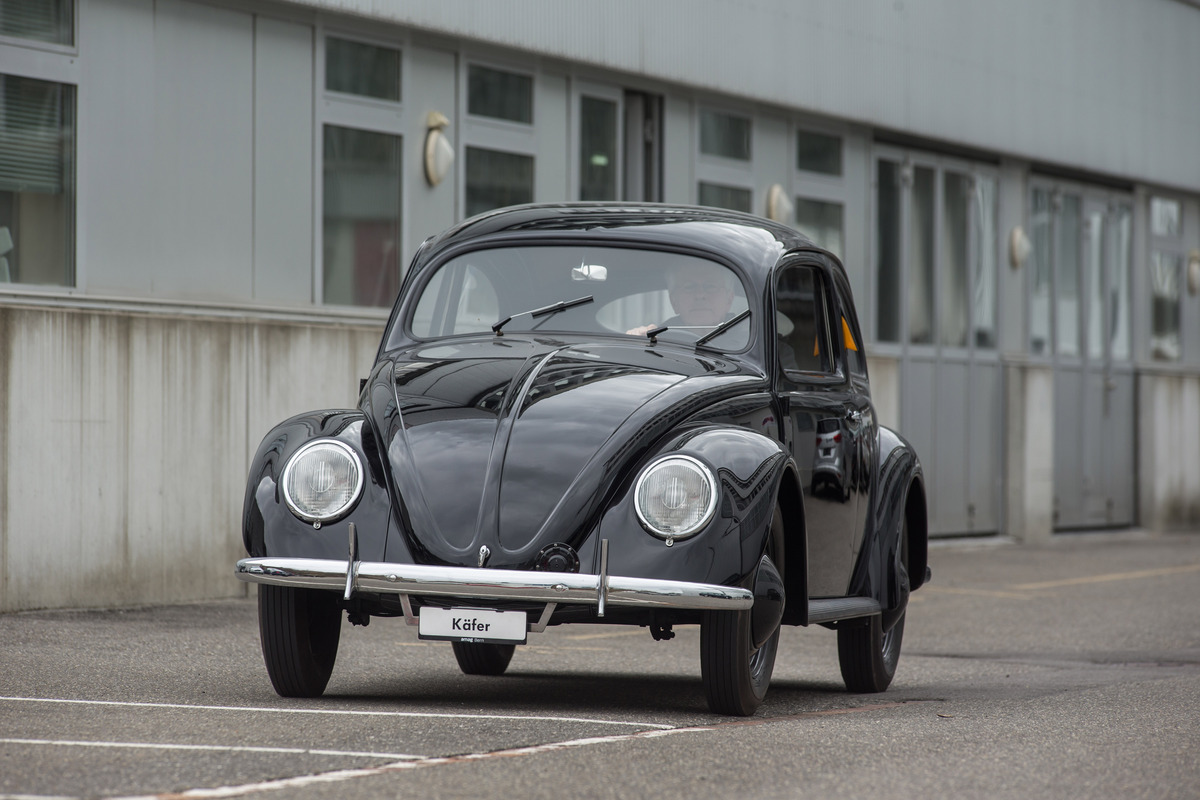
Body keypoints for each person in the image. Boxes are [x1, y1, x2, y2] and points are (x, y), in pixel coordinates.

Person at [627, 262, 735, 336]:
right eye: (689, 287)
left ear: (729, 299)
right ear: (674, 301)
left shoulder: (745, 342)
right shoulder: (660, 339)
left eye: (710, 286)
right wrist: (638, 338)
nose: (700, 294)